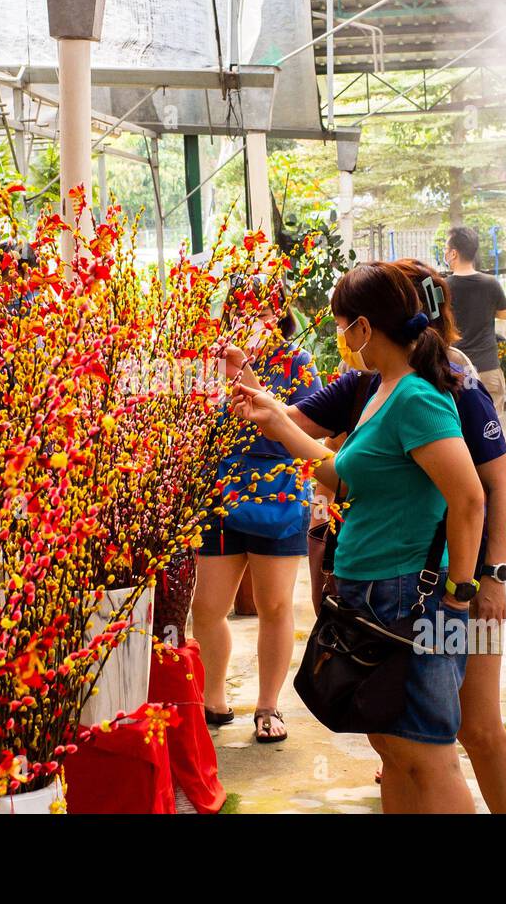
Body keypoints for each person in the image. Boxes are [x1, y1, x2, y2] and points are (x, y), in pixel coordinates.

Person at [255, 258, 506, 814]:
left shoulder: (426, 394)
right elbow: (340, 472)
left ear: (364, 324)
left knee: (441, 748)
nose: (338, 334)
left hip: (415, 597)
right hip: (375, 594)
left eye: (341, 322)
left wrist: (465, 589)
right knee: (395, 747)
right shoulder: (377, 390)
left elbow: (478, 495)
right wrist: (276, 420)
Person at [193, 290, 320, 745]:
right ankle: (213, 700)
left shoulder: (298, 361)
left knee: (275, 606)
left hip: (279, 494)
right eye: (242, 313)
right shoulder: (210, 362)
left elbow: (300, 426)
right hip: (221, 494)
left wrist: (244, 368)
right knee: (206, 607)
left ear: (279, 315)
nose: (252, 321)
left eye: (262, 313)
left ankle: (268, 706)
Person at [444, 227, 506, 416]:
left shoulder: (444, 287)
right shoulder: (491, 283)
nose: (445, 253)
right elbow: (504, 314)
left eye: (446, 249)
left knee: (460, 429)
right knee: (492, 431)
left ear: (454, 253)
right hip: (488, 368)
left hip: (455, 370)